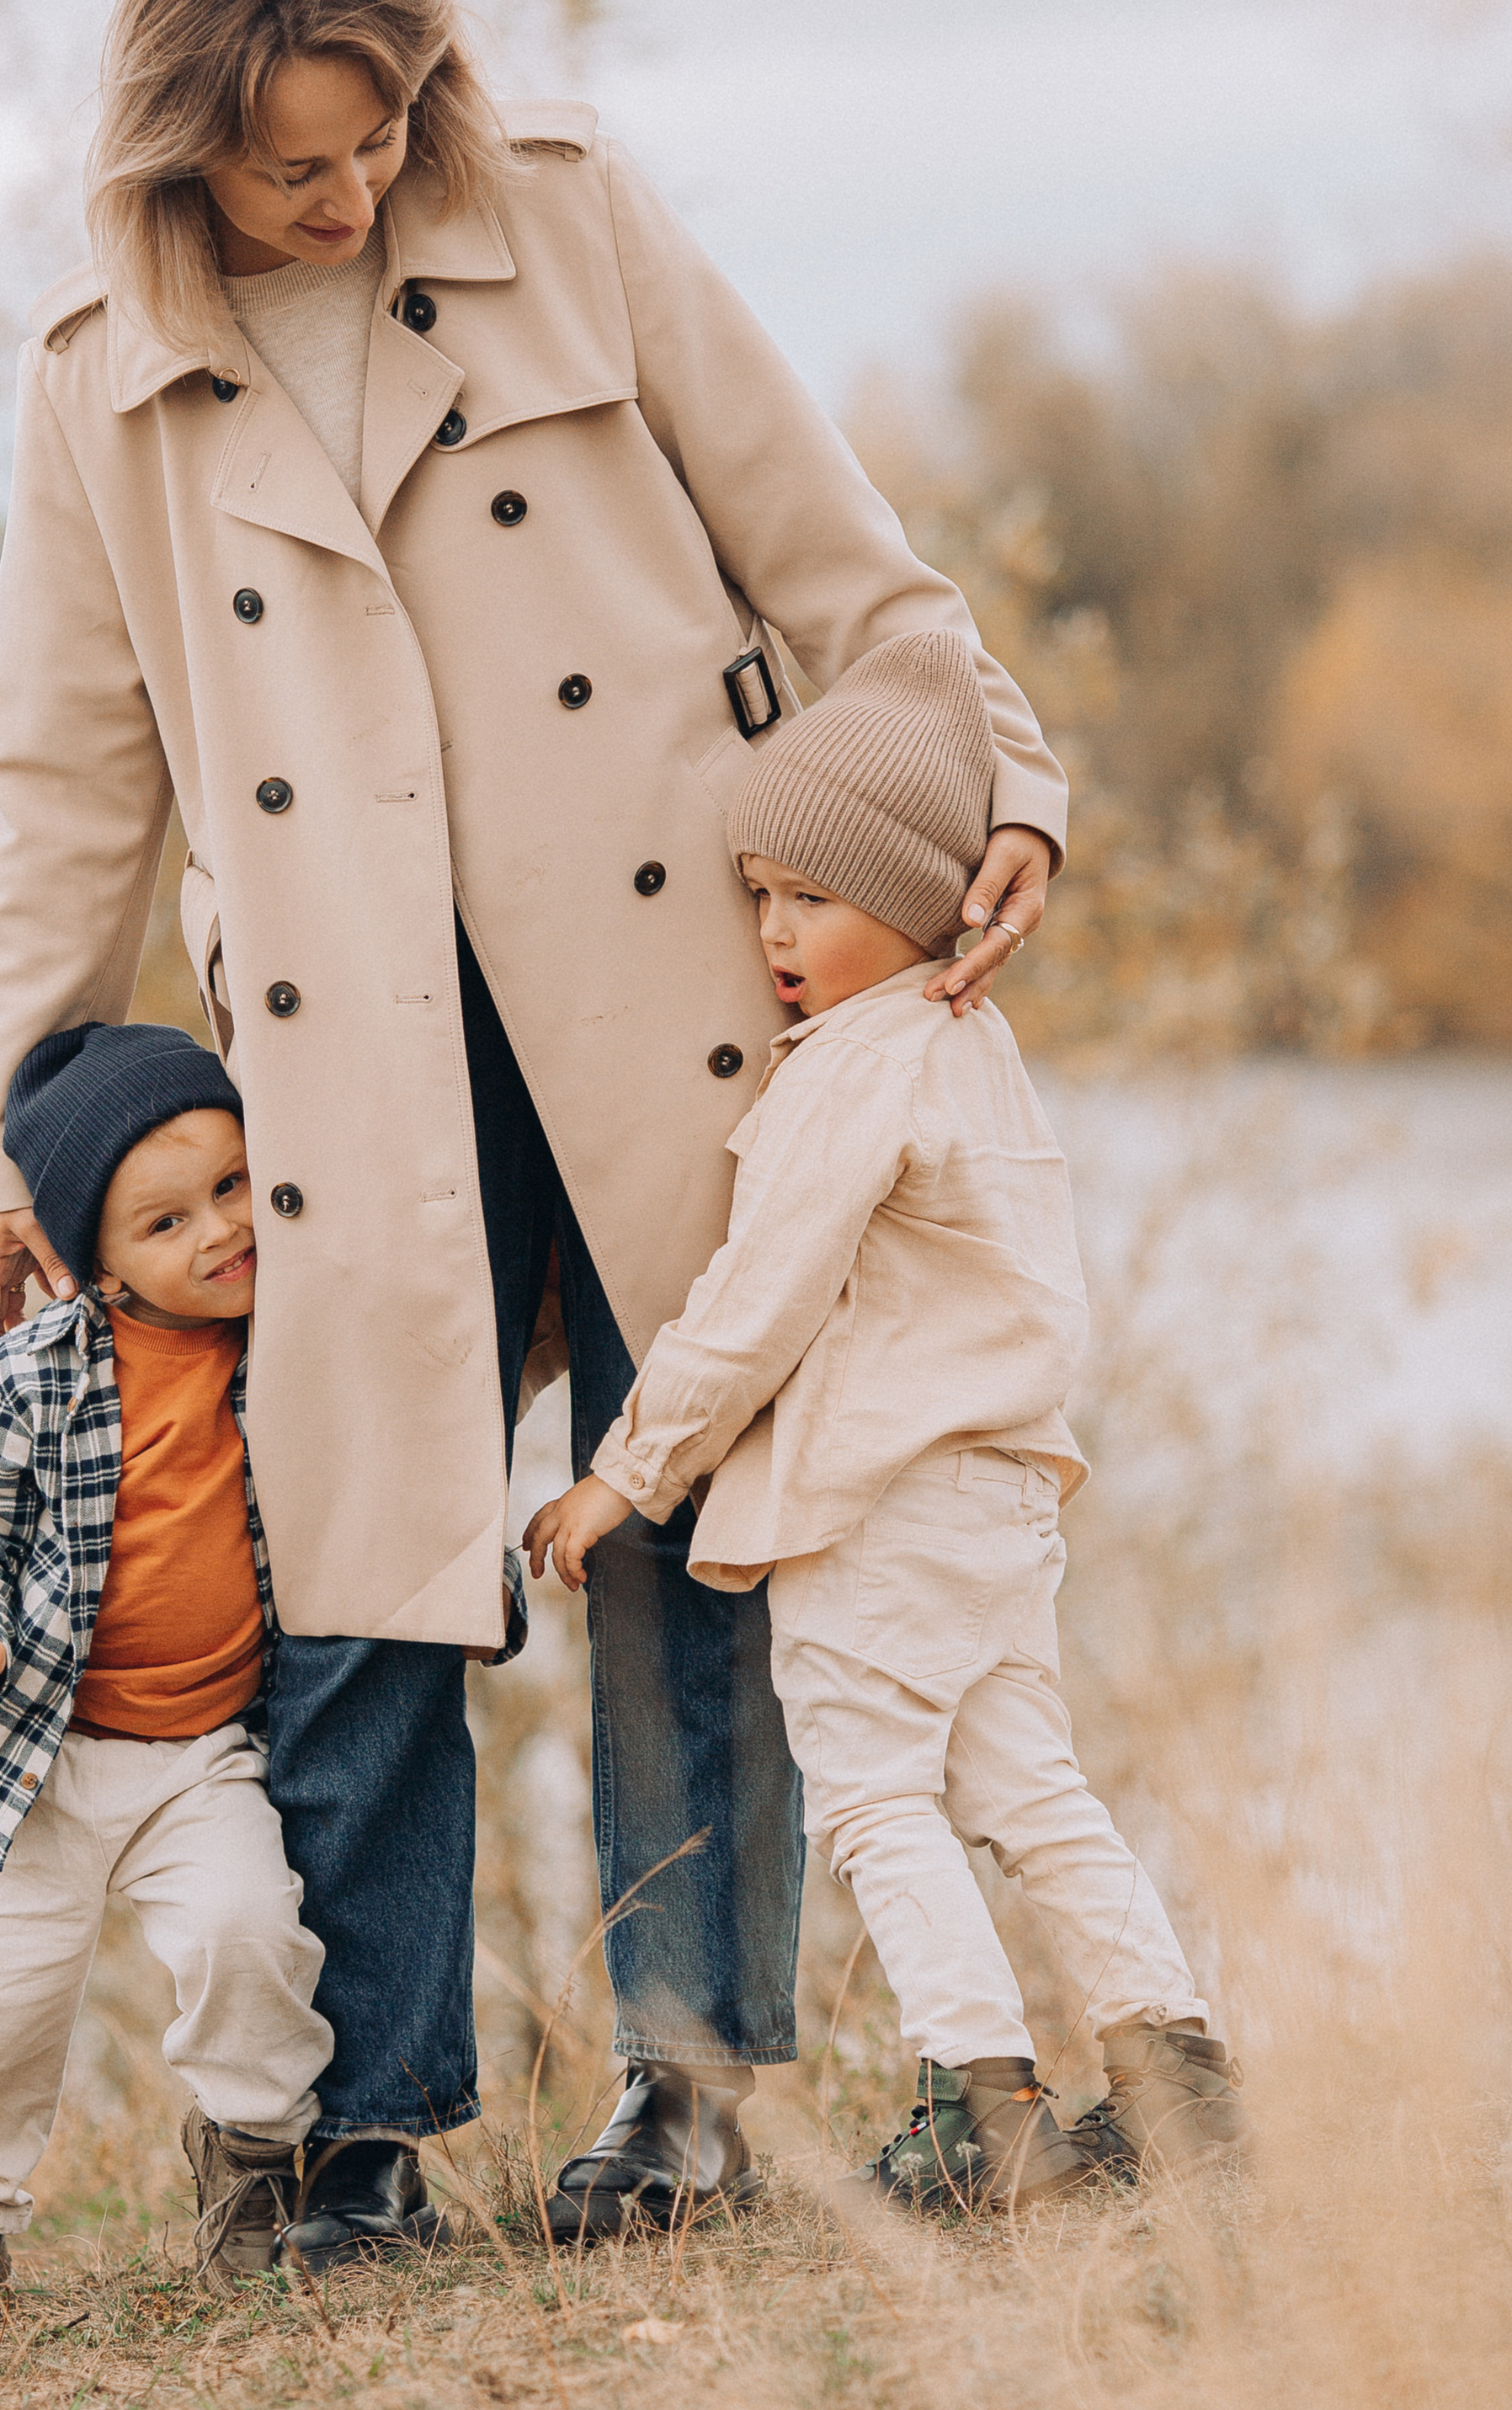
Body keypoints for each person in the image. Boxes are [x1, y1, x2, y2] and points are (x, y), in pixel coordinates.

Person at [0, 0, 1071, 2253]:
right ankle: (354, 2133)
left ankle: (690, 2094)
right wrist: (22, 1147)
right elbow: (65, 790)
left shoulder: (562, 213)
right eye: (287, 167)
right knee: (355, 1559)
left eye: (371, 143)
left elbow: (856, 585)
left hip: (679, 986)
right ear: (182, 160)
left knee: (697, 1524)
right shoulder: (96, 374)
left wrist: (1017, 795)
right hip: (341, 1045)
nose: (346, 197)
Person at [525, 635, 1246, 2219]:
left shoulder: (851, 1073)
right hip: (1000, 1498)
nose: (775, 932)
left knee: (869, 1799)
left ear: (922, 901)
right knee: (1026, 1787)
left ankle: (978, 2107)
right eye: (763, 893)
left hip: (879, 1503)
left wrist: (621, 1478)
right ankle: (1175, 2074)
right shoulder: (973, 1047)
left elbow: (757, 1297)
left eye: (815, 900)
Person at [0, 1025, 335, 2338]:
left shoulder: (293, 1340)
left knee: (251, 1938)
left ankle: (255, 2177)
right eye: (168, 1221)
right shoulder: (36, 1371)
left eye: (235, 1187)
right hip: (24, 1750)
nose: (220, 1232)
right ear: (98, 1262)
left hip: (200, 1751)